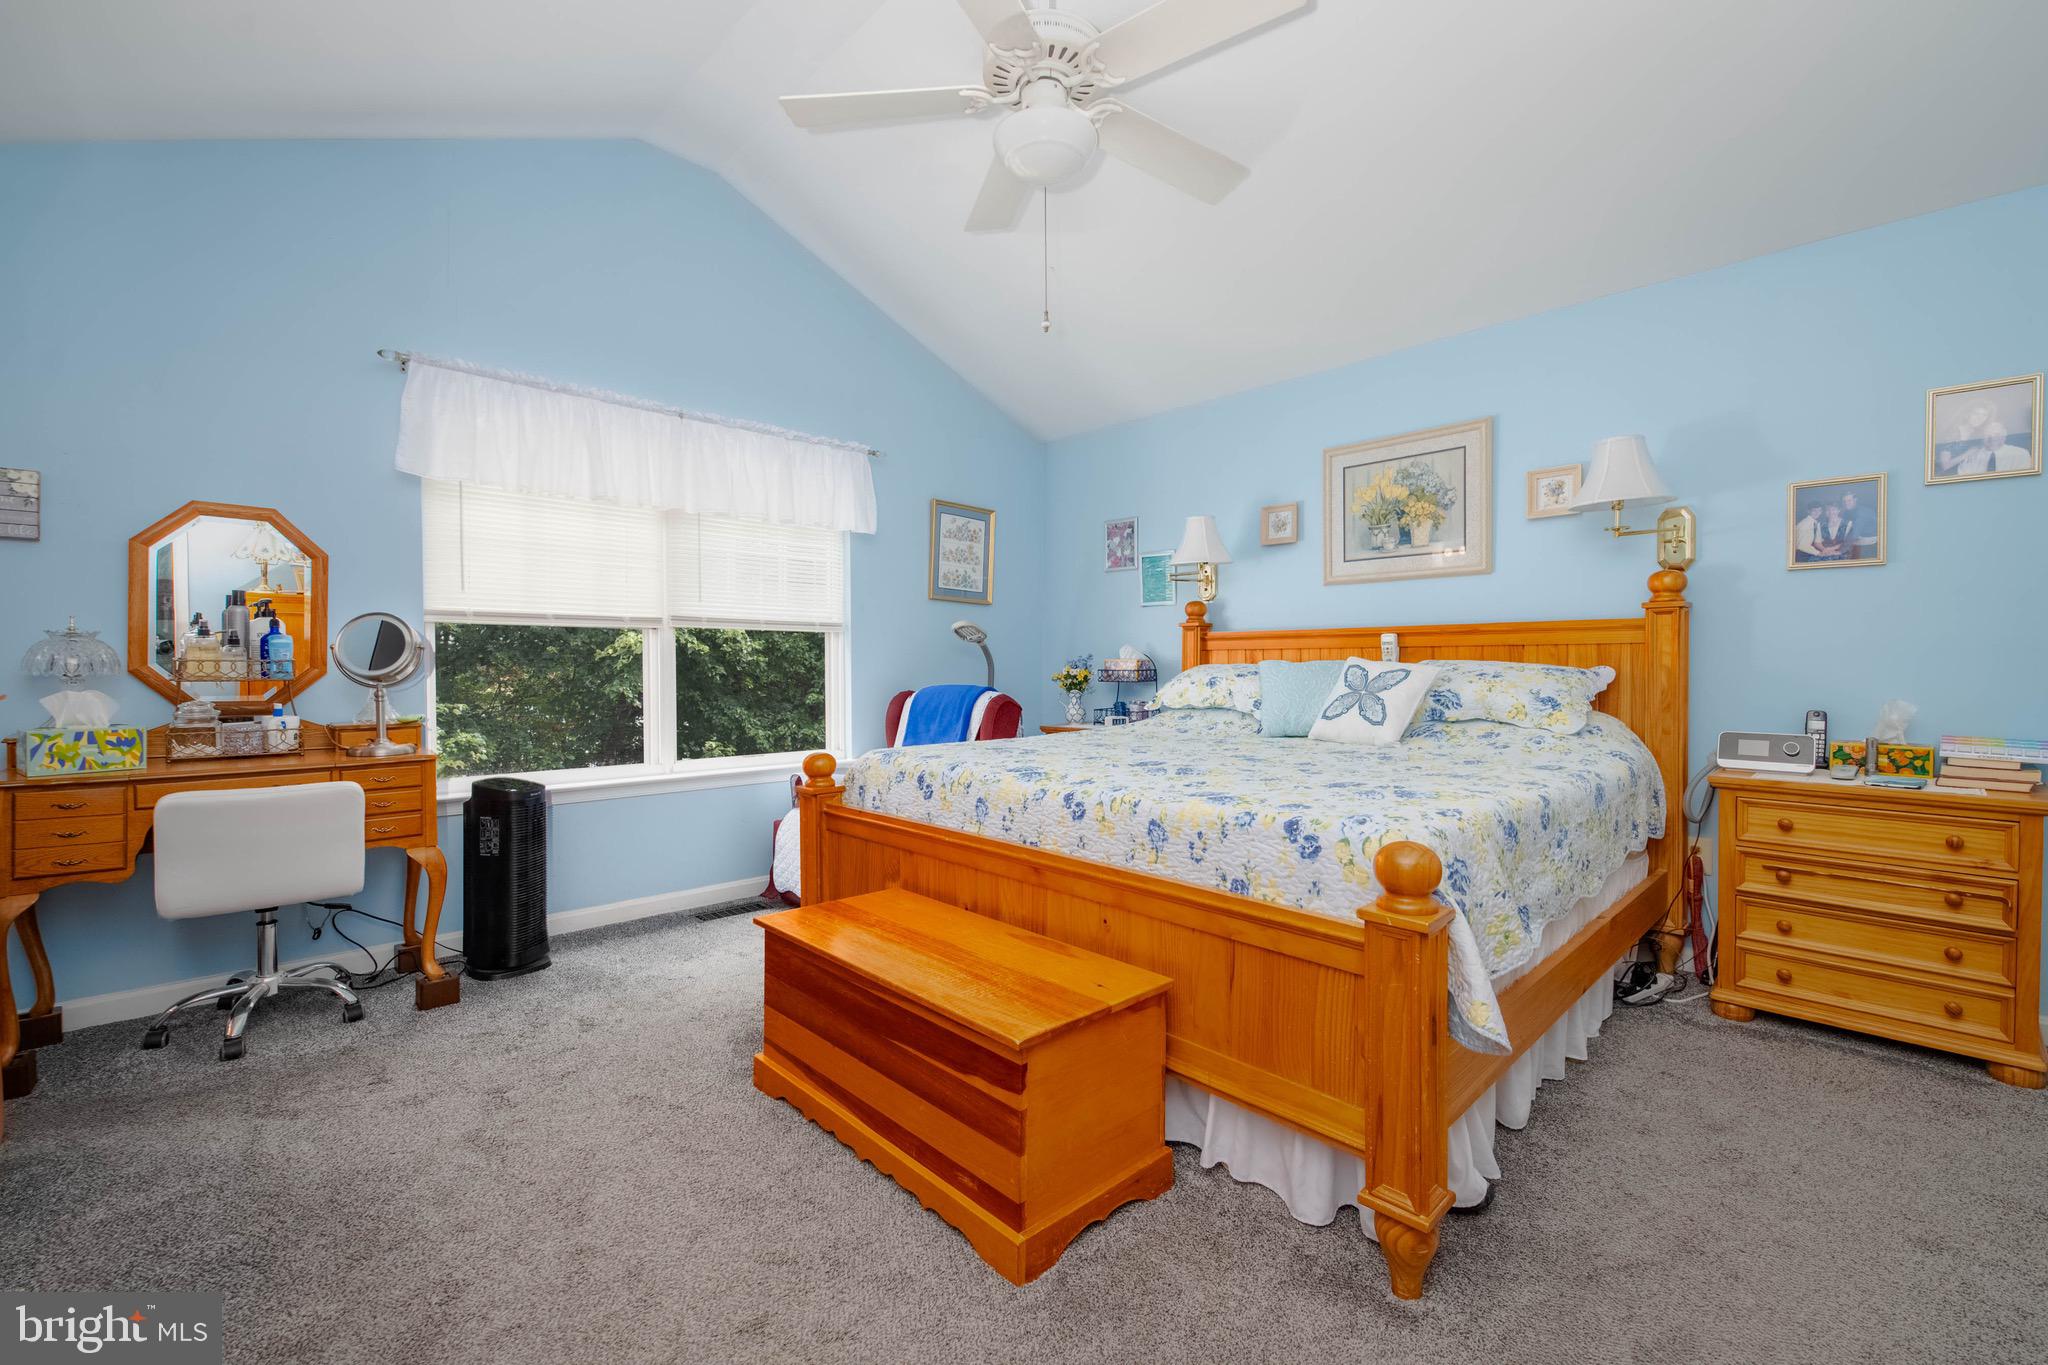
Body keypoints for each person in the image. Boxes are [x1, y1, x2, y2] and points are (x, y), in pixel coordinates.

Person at [1839, 488, 1878, 559]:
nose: (1846, 503)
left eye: (1849, 500)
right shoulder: (1848, 511)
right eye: (1844, 501)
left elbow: (1854, 535)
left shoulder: (1862, 513)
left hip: (1869, 545)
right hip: (1858, 540)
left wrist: (1839, 551)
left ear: (1855, 499)